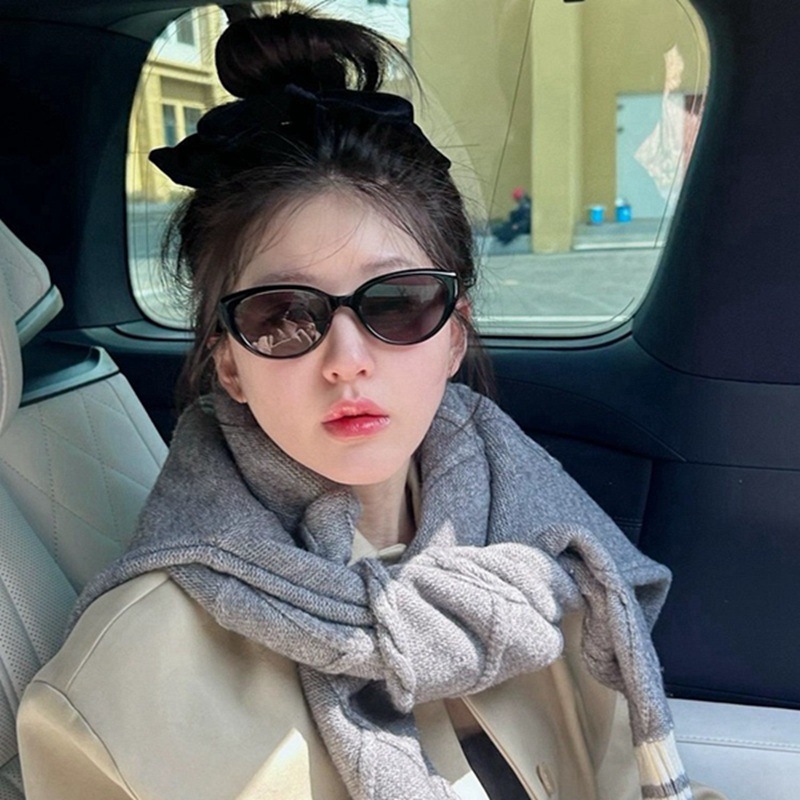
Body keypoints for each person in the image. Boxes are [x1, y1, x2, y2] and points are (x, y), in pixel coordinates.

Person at [17, 10, 723, 800]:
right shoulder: (118, 693)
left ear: (454, 336)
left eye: (397, 303)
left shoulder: (551, 552)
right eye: (283, 315)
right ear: (230, 364)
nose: (346, 360)